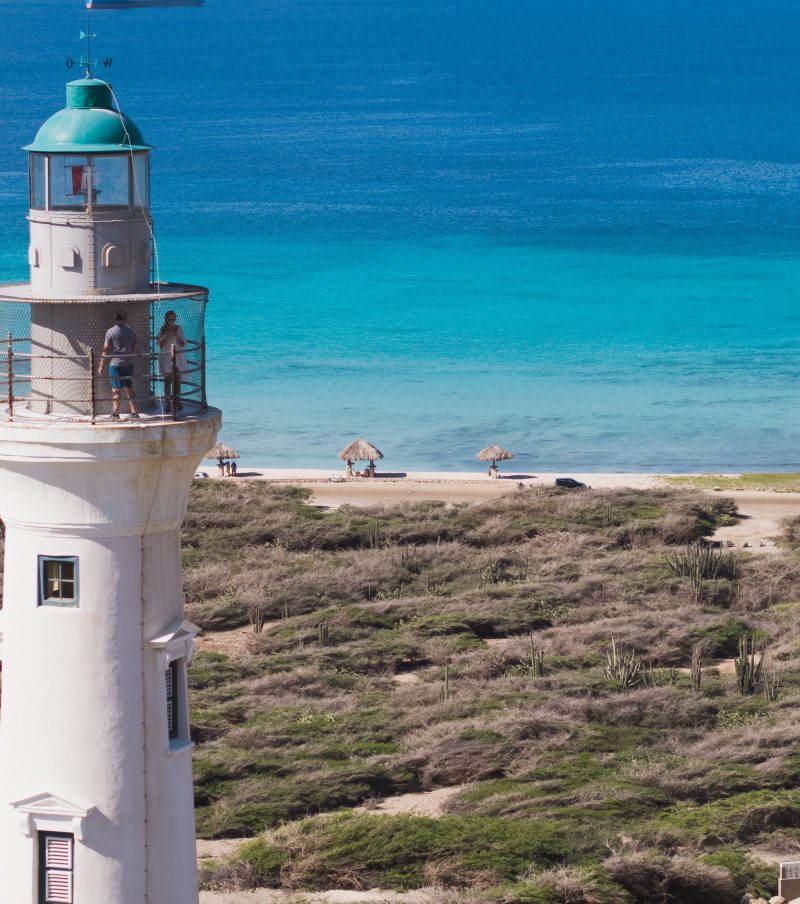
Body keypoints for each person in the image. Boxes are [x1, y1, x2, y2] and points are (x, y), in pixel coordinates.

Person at [98, 311, 139, 419]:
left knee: (116, 389)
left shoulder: (110, 331)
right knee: (129, 388)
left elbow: (106, 348)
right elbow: (135, 348)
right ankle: (134, 413)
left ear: (116, 319)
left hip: (115, 364)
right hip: (128, 363)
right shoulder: (131, 331)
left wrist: (101, 365)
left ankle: (116, 414)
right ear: (125, 319)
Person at [156, 310, 187, 411]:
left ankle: (177, 401)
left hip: (177, 356)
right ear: (166, 320)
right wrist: (167, 335)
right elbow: (160, 345)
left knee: (177, 380)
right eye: (169, 319)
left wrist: (176, 336)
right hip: (166, 356)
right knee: (167, 380)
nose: (171, 322)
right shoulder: (162, 330)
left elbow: (183, 344)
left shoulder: (179, 328)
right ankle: (168, 403)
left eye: (173, 319)